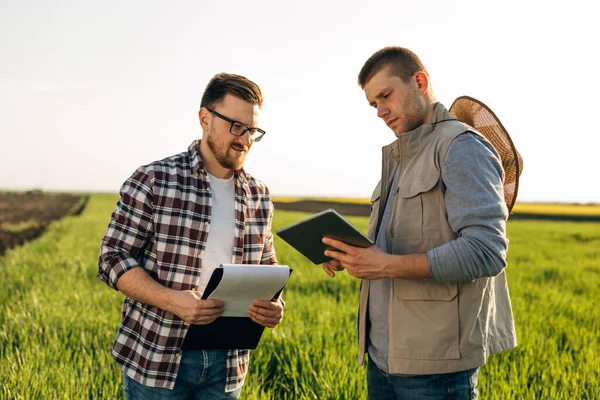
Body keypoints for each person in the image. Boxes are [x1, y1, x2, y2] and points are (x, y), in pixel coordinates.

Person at [321, 46, 517, 399]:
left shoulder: (461, 147)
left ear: (420, 82)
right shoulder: (399, 158)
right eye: (372, 104)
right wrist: (352, 257)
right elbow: (394, 247)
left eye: (386, 96)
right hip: (381, 360)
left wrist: (387, 265)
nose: (380, 111)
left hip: (435, 371)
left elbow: (486, 251)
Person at [98, 73, 284, 399]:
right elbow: (112, 259)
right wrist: (173, 301)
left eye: (252, 130)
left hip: (228, 364)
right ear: (205, 119)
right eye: (235, 126)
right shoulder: (155, 179)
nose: (244, 139)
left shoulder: (259, 194)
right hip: (158, 357)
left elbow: (268, 270)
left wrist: (275, 305)